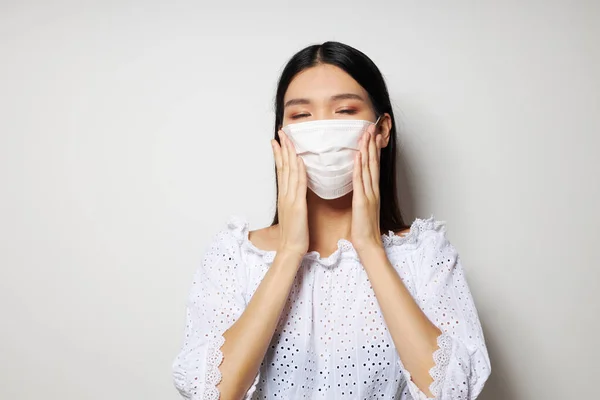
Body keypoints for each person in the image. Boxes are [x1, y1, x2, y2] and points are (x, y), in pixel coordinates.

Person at [172, 41, 491, 400]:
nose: (323, 130)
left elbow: (452, 392)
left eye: (344, 110)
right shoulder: (235, 256)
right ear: (281, 135)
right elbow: (211, 393)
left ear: (382, 130)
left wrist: (370, 248)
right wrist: (290, 251)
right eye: (301, 116)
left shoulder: (425, 254)